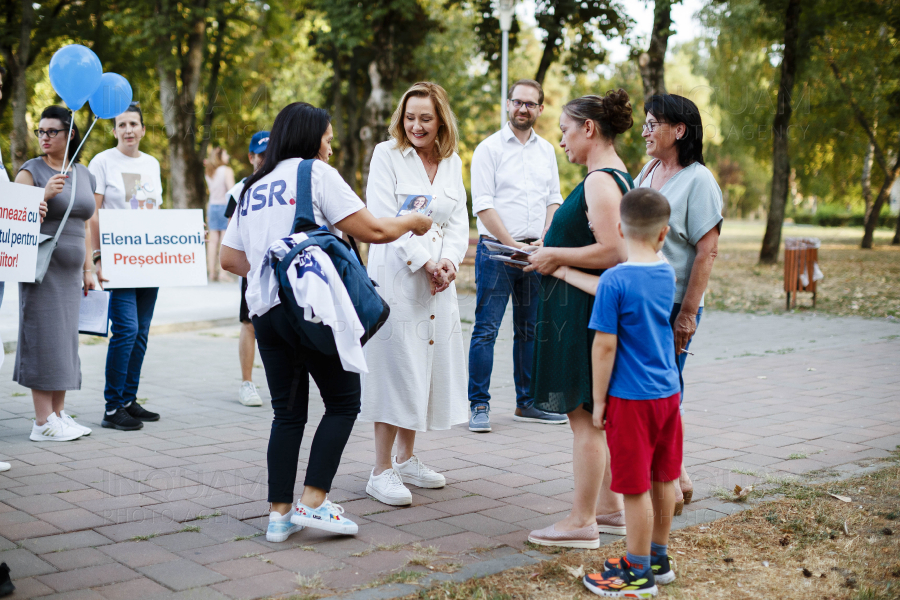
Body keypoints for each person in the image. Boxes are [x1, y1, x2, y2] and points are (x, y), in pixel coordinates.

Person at [220, 102, 432, 543]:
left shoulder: (252, 186)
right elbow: (373, 231)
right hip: (311, 308)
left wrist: (273, 265)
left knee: (287, 413)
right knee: (342, 401)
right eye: (328, 139)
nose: (331, 148)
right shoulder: (314, 174)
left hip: (265, 312)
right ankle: (314, 502)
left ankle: (278, 516)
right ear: (310, 137)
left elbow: (229, 259)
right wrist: (413, 221)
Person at [524, 91, 634, 548]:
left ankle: (581, 521)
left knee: (585, 418)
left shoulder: (599, 181)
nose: (563, 141)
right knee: (592, 414)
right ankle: (609, 509)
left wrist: (553, 255)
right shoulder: (615, 176)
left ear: (589, 128)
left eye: (567, 130)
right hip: (585, 309)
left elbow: (615, 251)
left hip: (584, 314)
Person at [360, 82, 470, 507]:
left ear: (440, 119)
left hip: (438, 281)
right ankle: (380, 470)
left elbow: (458, 220)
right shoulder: (386, 155)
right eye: (410, 117)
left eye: (425, 117)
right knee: (395, 366)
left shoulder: (452, 162)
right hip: (398, 276)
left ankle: (406, 459)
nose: (417, 125)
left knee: (425, 362)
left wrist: (448, 264)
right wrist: (425, 262)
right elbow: (385, 217)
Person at [581, 187, 682, 598]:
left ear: (620, 229)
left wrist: (600, 401)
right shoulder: (667, 272)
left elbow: (604, 346)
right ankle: (658, 557)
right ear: (664, 234)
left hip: (630, 398)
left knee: (635, 487)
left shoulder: (614, 280)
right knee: (662, 476)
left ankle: (638, 574)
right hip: (668, 394)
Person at [635, 94, 722, 515]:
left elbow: (706, 252)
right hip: (641, 298)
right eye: (646, 123)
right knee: (657, 392)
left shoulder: (699, 180)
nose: (645, 131)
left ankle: (673, 480)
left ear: (679, 130)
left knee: (664, 392)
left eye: (653, 124)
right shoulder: (649, 169)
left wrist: (686, 315)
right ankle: (678, 478)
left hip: (673, 304)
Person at [467, 78, 567, 433]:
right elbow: (482, 205)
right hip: (497, 252)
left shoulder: (546, 152)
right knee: (486, 331)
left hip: (535, 253)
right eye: (518, 102)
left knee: (530, 331)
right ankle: (479, 405)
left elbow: (553, 198)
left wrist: (544, 239)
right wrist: (513, 245)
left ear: (540, 109)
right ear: (508, 105)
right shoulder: (488, 149)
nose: (523, 108)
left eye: (531, 103)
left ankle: (528, 404)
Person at [14, 105, 96, 442]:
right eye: (41, 132)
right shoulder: (30, 172)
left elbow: (87, 222)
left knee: (65, 341)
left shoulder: (83, 173)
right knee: (43, 339)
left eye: (52, 132)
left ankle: (59, 414)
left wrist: (89, 267)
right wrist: (41, 197)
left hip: (71, 272)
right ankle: (41, 421)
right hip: (41, 268)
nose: (45, 137)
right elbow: (12, 224)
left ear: (70, 134)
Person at [88, 103, 164, 431]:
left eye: (134, 123)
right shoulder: (103, 162)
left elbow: (157, 214)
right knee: (127, 329)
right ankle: (112, 406)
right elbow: (92, 214)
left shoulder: (152, 164)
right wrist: (97, 257)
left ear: (143, 129)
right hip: (116, 260)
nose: (128, 130)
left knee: (142, 332)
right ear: (115, 130)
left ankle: (129, 400)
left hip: (147, 261)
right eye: (122, 125)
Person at [223, 131, 269, 407]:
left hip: (284, 270)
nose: (265, 160)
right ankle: (247, 383)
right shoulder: (238, 190)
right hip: (253, 270)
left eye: (270, 153)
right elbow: (232, 237)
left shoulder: (288, 182)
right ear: (251, 157)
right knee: (250, 325)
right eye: (261, 155)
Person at [205, 147, 235, 282]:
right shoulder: (226, 171)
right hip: (224, 207)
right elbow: (232, 190)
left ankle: (212, 272)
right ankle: (223, 273)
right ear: (220, 156)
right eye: (226, 153)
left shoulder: (209, 172)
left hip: (212, 206)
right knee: (224, 240)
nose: (228, 155)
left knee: (212, 241)